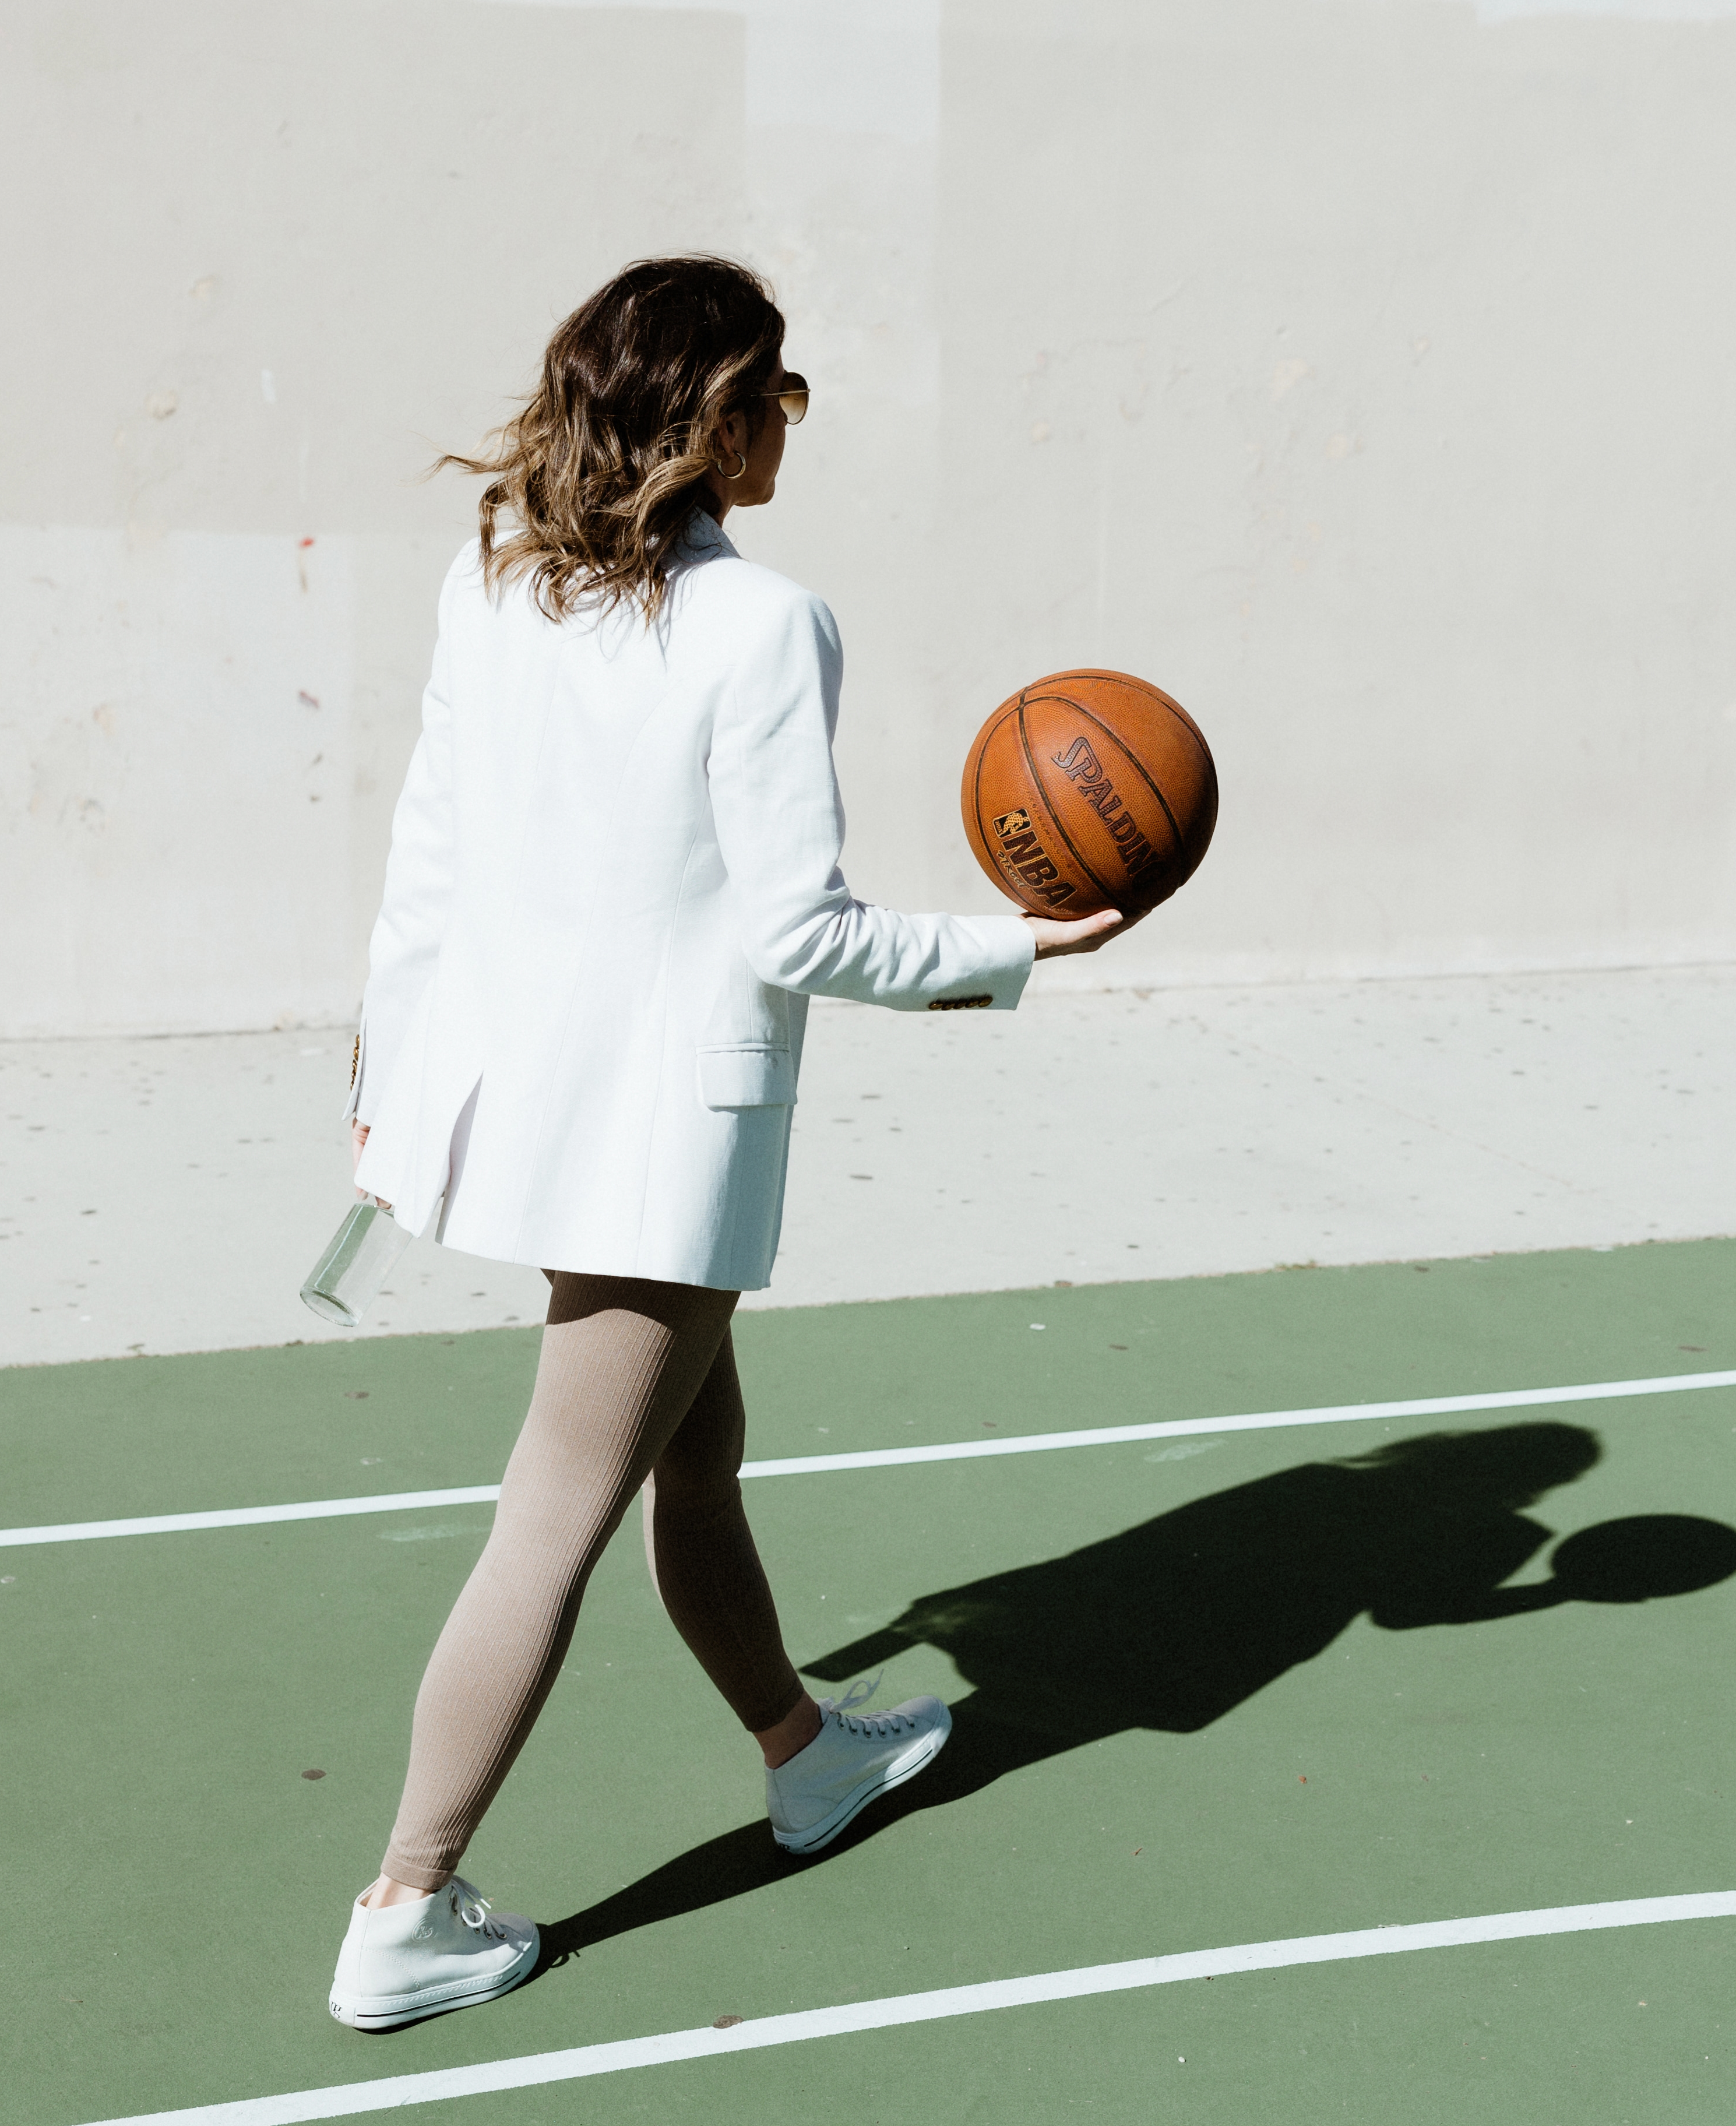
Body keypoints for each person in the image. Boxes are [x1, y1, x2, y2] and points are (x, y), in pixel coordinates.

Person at [326, 255, 1122, 2032]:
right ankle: (408, 1903)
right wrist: (1015, 945)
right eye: (776, 395)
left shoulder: (496, 573)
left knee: (695, 1461)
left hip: (528, 1105)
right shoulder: (766, 626)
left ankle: (804, 1754)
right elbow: (802, 933)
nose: (790, 427)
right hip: (655, 1151)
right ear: (711, 416)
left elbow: (428, 851)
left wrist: (388, 1068)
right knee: (553, 1521)